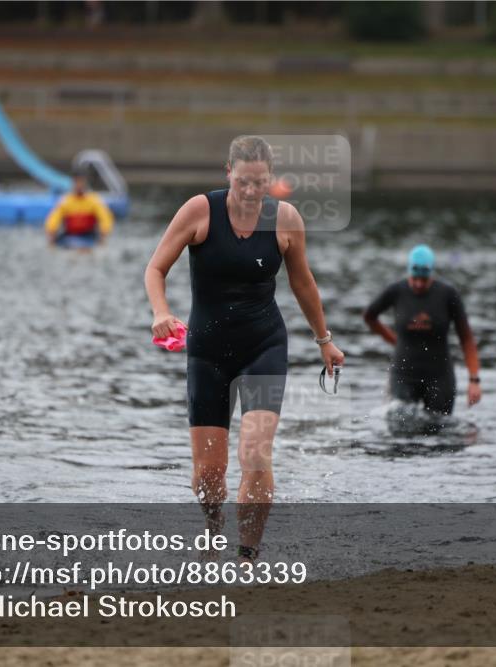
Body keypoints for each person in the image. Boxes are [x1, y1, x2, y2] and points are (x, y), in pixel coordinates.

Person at [144, 136, 344, 561]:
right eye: (243, 182)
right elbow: (156, 268)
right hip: (207, 352)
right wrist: (160, 312)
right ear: (228, 173)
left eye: (259, 183)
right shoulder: (200, 210)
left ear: (270, 179)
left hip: (263, 346)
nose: (251, 191)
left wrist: (324, 341)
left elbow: (303, 283)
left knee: (255, 451)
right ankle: (214, 525)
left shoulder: (285, 218)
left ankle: (248, 554)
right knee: (209, 473)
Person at [364, 244, 481, 416]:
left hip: (440, 377)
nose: (419, 284)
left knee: (439, 430)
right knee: (400, 426)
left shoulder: (448, 295)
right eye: (415, 278)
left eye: (424, 279)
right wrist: (393, 340)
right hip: (403, 375)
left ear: (431, 274)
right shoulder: (396, 291)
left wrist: (474, 380)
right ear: (409, 272)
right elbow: (369, 316)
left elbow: (466, 338)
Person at [44, 174, 114, 247]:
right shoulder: (66, 201)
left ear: (85, 184)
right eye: (77, 183)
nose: (79, 185)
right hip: (69, 234)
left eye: (81, 182)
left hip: (89, 235)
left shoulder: (94, 200)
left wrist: (104, 232)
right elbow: (54, 217)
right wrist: (51, 231)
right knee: (53, 245)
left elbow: (105, 217)